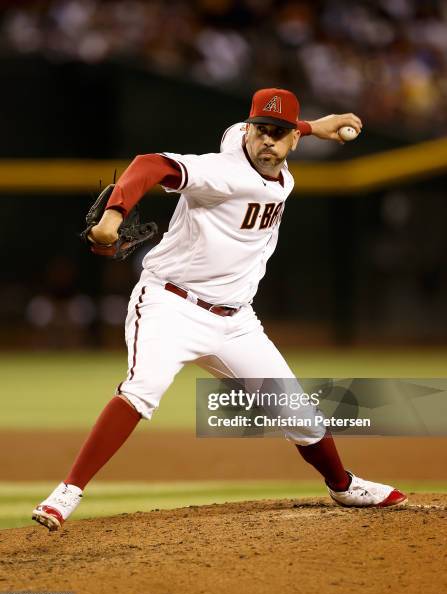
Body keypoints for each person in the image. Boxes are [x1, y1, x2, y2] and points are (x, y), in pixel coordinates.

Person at [32, 88, 406, 531]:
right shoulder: (222, 170)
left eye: (280, 133)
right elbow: (150, 164)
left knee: (299, 416)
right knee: (142, 388)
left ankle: (343, 485)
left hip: (236, 322)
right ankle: (67, 492)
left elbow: (277, 130)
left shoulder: (258, 150)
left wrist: (316, 127)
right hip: (171, 305)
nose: (268, 140)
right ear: (246, 131)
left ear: (293, 142)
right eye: (261, 130)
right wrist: (113, 216)